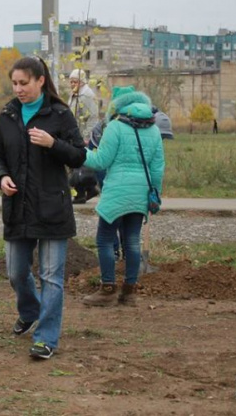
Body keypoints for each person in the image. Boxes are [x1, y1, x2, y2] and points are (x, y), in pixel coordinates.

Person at [0, 56, 86, 360]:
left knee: (52, 277)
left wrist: (52, 143)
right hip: (17, 208)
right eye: (14, 83)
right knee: (17, 273)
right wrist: (1, 176)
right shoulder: (8, 115)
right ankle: (29, 311)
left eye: (24, 83)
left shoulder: (59, 113)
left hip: (52, 208)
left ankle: (46, 338)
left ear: (40, 80)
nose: (18, 89)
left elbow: (79, 156)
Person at [81, 86, 165, 307]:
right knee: (132, 241)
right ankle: (129, 292)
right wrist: (155, 193)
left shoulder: (115, 127)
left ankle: (107, 289)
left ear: (117, 105)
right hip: (140, 192)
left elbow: (101, 161)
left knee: (104, 239)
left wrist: (80, 153)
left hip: (117, 190)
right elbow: (157, 169)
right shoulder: (154, 131)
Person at [67, 68, 100, 204]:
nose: (72, 84)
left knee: (78, 162)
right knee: (76, 164)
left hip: (82, 135)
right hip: (74, 134)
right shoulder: (76, 93)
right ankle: (87, 190)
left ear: (81, 81)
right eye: (71, 81)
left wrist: (86, 136)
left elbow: (92, 118)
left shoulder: (87, 95)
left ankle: (85, 191)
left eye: (74, 81)